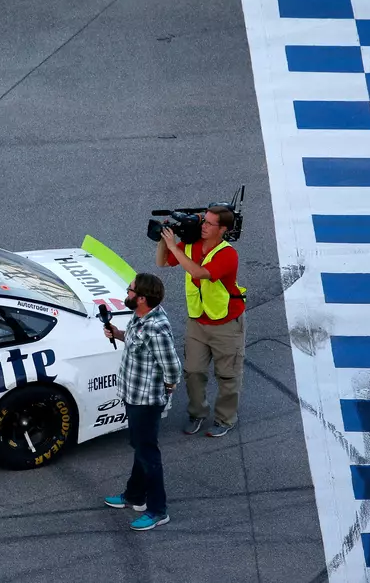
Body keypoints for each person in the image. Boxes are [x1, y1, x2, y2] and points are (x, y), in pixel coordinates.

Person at [156, 205, 246, 437]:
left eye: (208, 223)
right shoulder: (191, 244)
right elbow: (162, 263)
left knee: (227, 375)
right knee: (193, 371)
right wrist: (163, 238)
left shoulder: (228, 254)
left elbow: (199, 273)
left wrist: (174, 249)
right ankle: (197, 413)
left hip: (226, 324)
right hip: (198, 320)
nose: (202, 226)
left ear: (222, 229)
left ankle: (225, 419)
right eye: (203, 221)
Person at [102, 273, 181, 531]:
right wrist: (116, 333)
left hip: (146, 400)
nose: (127, 292)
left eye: (131, 290)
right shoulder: (140, 316)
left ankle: (158, 510)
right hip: (133, 394)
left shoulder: (156, 327)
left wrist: (168, 387)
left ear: (142, 298)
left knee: (148, 452)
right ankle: (135, 496)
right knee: (139, 445)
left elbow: (172, 366)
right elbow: (137, 342)